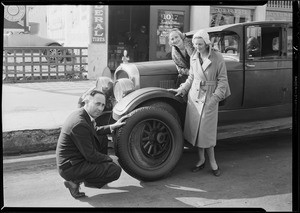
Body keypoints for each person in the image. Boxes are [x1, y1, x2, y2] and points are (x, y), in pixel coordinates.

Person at [168, 30, 231, 176]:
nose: (197, 47)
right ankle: (201, 160)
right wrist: (182, 89)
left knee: (206, 133)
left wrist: (214, 99)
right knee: (196, 132)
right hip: (194, 97)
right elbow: (191, 77)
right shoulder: (194, 56)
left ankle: (213, 162)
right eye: (195, 44)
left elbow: (223, 81)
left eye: (200, 44)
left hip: (210, 97)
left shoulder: (217, 57)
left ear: (207, 43)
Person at [56, 89, 128, 198]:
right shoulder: (79, 123)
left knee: (102, 137)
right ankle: (74, 181)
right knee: (115, 170)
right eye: (97, 104)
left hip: (74, 161)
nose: (100, 108)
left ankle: (91, 177)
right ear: (87, 102)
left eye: (103, 105)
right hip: (70, 167)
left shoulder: (82, 114)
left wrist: (112, 127)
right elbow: (91, 156)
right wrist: (109, 158)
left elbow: (95, 131)